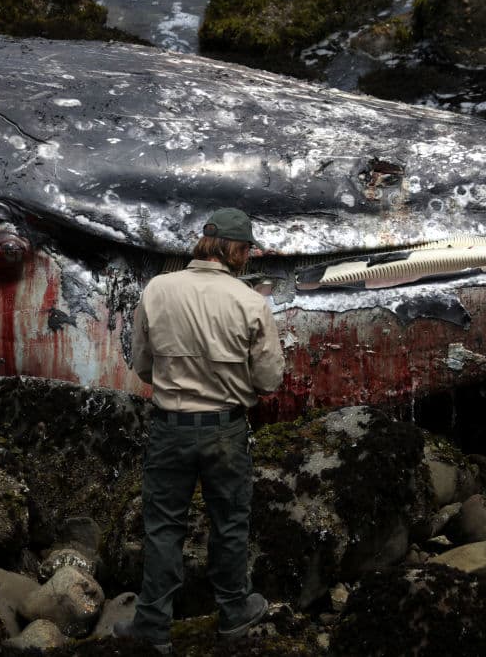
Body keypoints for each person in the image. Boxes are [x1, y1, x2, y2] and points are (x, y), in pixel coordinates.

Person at [114, 208, 285, 653]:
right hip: (225, 431)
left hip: (169, 428)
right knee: (229, 524)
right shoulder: (250, 302)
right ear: (237, 250)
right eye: (247, 249)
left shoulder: (158, 290)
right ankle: (232, 614)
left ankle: (153, 627)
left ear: (203, 244)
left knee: (163, 526)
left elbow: (143, 367)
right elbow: (269, 382)